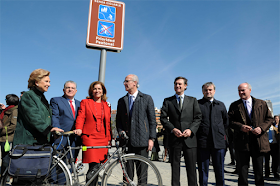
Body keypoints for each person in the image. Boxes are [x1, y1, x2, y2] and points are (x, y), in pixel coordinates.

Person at [228, 82, 273, 186]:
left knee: (258, 172)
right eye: (239, 90)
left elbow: (269, 119)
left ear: (250, 90)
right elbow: (230, 121)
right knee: (242, 173)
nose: (241, 92)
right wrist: (241, 127)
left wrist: (261, 128)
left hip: (258, 142)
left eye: (243, 90)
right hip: (242, 143)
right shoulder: (234, 105)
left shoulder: (261, 103)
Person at [160, 76, 202, 186]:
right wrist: (172, 129)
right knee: (175, 167)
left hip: (190, 139)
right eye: (175, 84)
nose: (177, 86)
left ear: (185, 86)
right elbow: (163, 118)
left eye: (180, 84)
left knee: (191, 168)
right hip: (174, 139)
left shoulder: (193, 100)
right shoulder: (168, 101)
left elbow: (198, 118)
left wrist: (191, 130)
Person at [116, 74, 157, 184]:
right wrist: (120, 131)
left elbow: (152, 121)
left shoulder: (147, 98)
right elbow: (118, 120)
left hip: (142, 142)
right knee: (127, 175)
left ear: (135, 83)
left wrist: (151, 138)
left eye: (127, 81)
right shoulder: (121, 101)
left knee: (142, 174)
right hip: (126, 142)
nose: (124, 83)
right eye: (124, 81)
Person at [74, 81, 112, 186]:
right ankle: (90, 184)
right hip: (90, 137)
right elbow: (81, 117)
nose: (97, 91)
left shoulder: (106, 105)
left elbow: (108, 123)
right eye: (95, 88)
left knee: (98, 166)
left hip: (103, 138)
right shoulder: (85, 102)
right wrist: (78, 128)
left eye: (99, 89)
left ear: (103, 91)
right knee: (93, 165)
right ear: (91, 90)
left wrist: (109, 138)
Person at [13, 69, 63, 146]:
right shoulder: (28, 95)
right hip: (28, 143)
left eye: (49, 82)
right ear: (37, 82)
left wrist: (51, 132)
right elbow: (33, 117)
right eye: (46, 81)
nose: (49, 85)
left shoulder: (40, 97)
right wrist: (49, 129)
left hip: (40, 141)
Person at [197, 82, 228, 186]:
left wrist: (225, 140)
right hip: (203, 143)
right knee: (202, 171)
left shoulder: (221, 105)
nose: (208, 92)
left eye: (210, 90)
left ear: (214, 91)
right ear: (202, 91)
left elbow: (226, 123)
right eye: (206, 90)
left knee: (219, 171)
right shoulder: (197, 104)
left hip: (219, 143)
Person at [50, 80, 81, 159]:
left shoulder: (80, 103)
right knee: (57, 162)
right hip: (61, 136)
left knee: (72, 162)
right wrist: (56, 129)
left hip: (76, 137)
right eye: (68, 88)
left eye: (72, 88)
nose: (70, 89)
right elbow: (55, 116)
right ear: (63, 90)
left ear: (76, 91)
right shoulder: (56, 100)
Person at [0, 94, 19, 176]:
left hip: (7, 138)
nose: (5, 100)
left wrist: (2, 131)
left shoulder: (14, 110)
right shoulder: (7, 109)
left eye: (6, 99)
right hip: (3, 137)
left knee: (5, 158)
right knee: (4, 157)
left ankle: (5, 177)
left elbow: (13, 125)